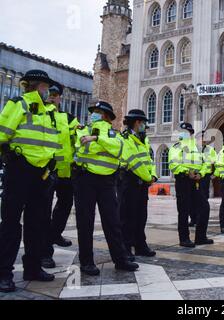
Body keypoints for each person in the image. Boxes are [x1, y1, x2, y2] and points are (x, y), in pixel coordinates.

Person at [0, 70, 61, 292]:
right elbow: (2, 133)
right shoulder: (19, 104)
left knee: (37, 223)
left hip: (41, 174)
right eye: (47, 88)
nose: (49, 92)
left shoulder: (50, 113)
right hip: (19, 169)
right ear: (37, 86)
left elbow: (52, 143)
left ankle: (33, 268)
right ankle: (3, 273)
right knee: (10, 223)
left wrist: (52, 166)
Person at [73, 101, 139, 276]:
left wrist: (96, 139)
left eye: (97, 111)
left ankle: (120, 259)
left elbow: (118, 150)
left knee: (112, 222)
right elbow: (81, 148)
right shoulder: (83, 129)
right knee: (85, 222)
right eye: (93, 111)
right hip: (85, 179)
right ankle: (87, 262)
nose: (93, 114)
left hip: (107, 181)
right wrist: (101, 144)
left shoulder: (113, 134)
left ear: (106, 115)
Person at [41, 82, 79, 269]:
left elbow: (78, 137)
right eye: (49, 93)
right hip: (46, 169)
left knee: (65, 205)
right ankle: (45, 252)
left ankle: (55, 233)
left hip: (65, 171)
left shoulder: (69, 118)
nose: (51, 96)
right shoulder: (39, 114)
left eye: (55, 94)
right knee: (43, 210)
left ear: (59, 97)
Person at [119, 109, 158, 260]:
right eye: (143, 123)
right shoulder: (126, 138)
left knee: (141, 216)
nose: (144, 126)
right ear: (137, 122)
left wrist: (153, 175)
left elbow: (149, 160)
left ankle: (140, 245)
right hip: (129, 181)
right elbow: (133, 161)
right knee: (128, 216)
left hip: (142, 183)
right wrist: (148, 177)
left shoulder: (143, 139)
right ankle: (126, 248)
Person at [169, 123, 213, 247]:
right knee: (183, 211)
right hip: (183, 181)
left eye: (189, 131)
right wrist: (187, 172)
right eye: (184, 131)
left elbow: (206, 163)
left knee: (204, 208)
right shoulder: (177, 147)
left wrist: (201, 173)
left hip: (196, 182)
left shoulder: (197, 148)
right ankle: (184, 239)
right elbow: (173, 164)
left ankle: (200, 237)